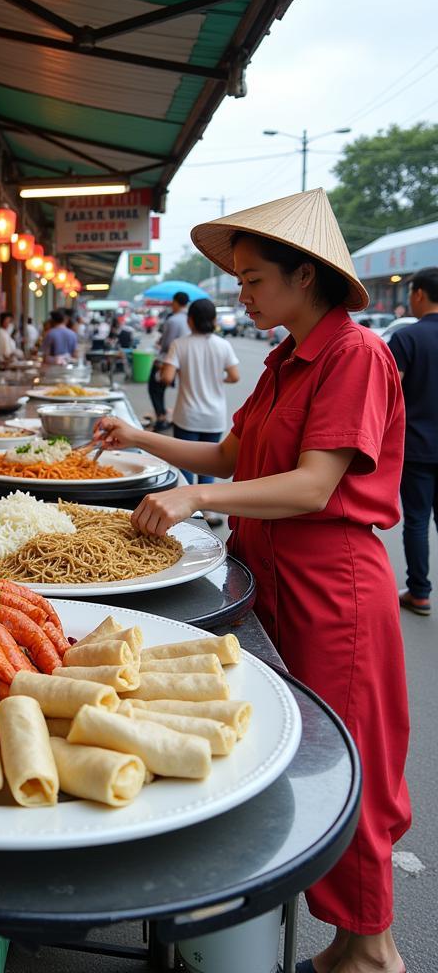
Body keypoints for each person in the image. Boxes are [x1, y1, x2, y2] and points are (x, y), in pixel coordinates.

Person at [90, 189, 410, 973]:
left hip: (334, 586)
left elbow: (311, 487)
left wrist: (194, 499)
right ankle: (345, 946)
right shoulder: (281, 360)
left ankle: (370, 950)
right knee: (295, 750)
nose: (242, 292)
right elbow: (230, 459)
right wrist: (140, 435)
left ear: (307, 277)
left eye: (255, 277)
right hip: (274, 576)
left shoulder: (353, 355)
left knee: (349, 764)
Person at [387, 266, 438, 616]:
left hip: (419, 447)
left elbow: (388, 393)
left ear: (419, 294)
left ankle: (419, 592)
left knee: (417, 521)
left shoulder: (407, 338)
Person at [160, 298, 240, 496]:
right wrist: (217, 378)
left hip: (187, 416)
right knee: (210, 465)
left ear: (190, 321)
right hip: (214, 417)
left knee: (185, 465)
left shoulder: (179, 345)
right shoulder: (223, 345)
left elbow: (166, 377)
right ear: (214, 321)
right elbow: (234, 376)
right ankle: (208, 510)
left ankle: (187, 512)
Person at [148, 291, 189, 431]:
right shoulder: (189, 319)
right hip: (183, 360)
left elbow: (167, 344)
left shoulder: (174, 320)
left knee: (155, 388)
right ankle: (165, 416)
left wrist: (160, 343)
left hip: (168, 360)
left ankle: (161, 418)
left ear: (176, 302)